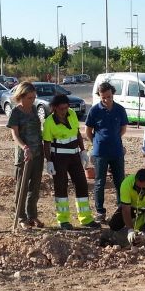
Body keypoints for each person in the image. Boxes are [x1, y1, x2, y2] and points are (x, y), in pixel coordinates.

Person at [43, 94, 99, 230]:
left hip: (74, 156)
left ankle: (86, 218)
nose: (64, 111)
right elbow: (47, 143)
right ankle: (63, 220)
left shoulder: (72, 114)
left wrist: (83, 151)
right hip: (58, 158)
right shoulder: (49, 122)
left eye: (66, 108)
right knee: (61, 187)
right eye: (61, 109)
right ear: (55, 108)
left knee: (81, 184)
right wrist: (49, 161)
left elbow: (77, 134)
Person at [85, 81, 129, 223]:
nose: (107, 100)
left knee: (120, 181)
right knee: (99, 182)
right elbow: (88, 131)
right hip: (100, 152)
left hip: (116, 151)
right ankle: (100, 212)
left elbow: (122, 129)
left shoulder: (120, 110)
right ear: (100, 96)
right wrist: (97, 142)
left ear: (112, 94)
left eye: (109, 97)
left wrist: (115, 139)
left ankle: (120, 209)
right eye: (103, 97)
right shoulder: (94, 110)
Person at [6, 81, 44, 229]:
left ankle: (32, 216)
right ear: (21, 96)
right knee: (21, 187)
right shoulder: (16, 112)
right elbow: (14, 134)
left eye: (34, 97)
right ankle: (21, 217)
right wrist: (25, 147)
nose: (32, 100)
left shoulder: (34, 109)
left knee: (34, 188)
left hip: (38, 154)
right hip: (24, 156)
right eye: (29, 97)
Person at [108, 168, 145, 246]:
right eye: (138, 188)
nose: (141, 191)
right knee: (114, 225)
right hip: (132, 207)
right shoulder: (127, 183)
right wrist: (130, 230)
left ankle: (144, 224)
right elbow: (125, 209)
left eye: (144, 188)